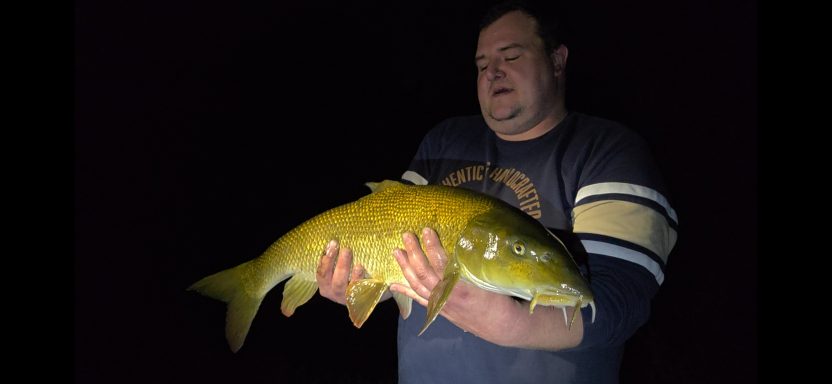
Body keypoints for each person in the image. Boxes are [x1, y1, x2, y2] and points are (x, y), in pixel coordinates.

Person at [316, 1, 678, 383]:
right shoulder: (446, 141)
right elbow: (391, 249)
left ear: (557, 60)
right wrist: (359, 278)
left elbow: (620, 298)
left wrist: (511, 323)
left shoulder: (607, 151)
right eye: (482, 64)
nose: (493, 72)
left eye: (511, 56)